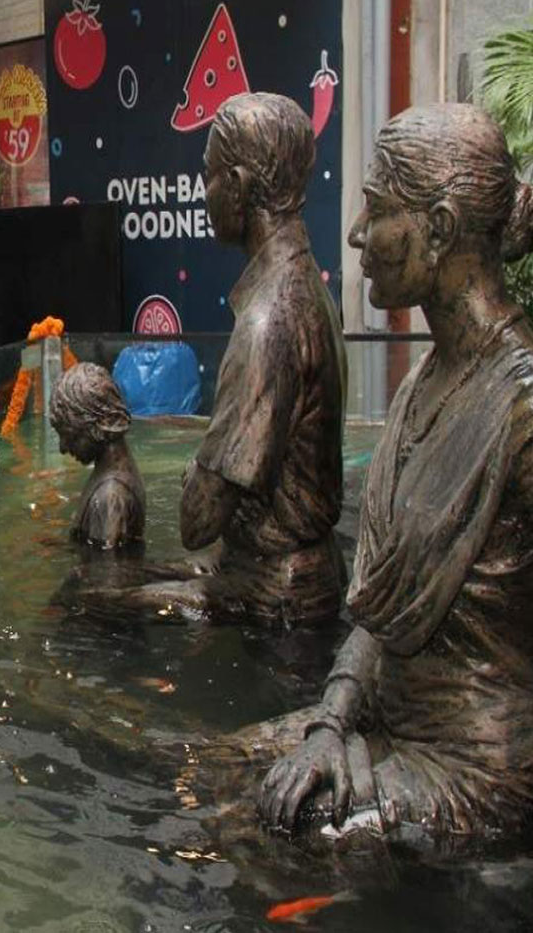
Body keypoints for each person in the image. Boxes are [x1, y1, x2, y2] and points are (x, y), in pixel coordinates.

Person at [255, 104, 533, 842]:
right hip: (381, 719)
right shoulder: (418, 389)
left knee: (274, 824)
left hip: (476, 767)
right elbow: (376, 618)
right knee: (201, 766)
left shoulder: (523, 407)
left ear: (438, 230)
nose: (355, 235)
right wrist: (329, 723)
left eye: (376, 211)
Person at [141, 94, 347, 626]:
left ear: (235, 185)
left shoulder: (268, 321)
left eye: (208, 176)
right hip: (284, 569)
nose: (204, 192)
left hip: (275, 594)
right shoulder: (305, 287)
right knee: (124, 579)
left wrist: (192, 468)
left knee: (94, 600)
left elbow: (198, 518)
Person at [48, 363, 145, 551]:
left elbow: (107, 573)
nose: (63, 448)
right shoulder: (117, 473)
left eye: (70, 435)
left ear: (101, 426)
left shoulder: (110, 496)